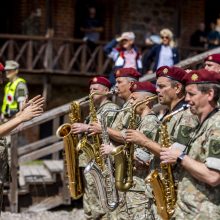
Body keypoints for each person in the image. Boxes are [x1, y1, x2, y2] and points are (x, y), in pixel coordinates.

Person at [124, 66, 199, 219]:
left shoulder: (186, 116)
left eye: (162, 86)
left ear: (177, 88)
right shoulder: (168, 114)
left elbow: (175, 155)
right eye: (157, 86)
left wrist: (144, 141)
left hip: (173, 192)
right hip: (159, 189)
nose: (157, 90)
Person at [160, 69, 220, 219]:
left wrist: (180, 157)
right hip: (186, 210)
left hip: (204, 213)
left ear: (210, 94)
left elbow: (213, 176)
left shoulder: (217, 125)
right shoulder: (199, 123)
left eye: (192, 94)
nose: (186, 99)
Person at [101, 81, 159, 220]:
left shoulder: (150, 122)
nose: (130, 102)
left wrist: (114, 151)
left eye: (134, 98)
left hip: (140, 188)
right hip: (133, 185)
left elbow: (143, 158)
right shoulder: (140, 121)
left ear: (145, 100)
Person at [71, 76, 119, 220]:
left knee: (100, 201)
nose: (91, 92)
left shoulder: (111, 109)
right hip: (91, 161)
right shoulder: (96, 110)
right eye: (90, 89)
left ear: (106, 91)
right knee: (91, 199)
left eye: (95, 89)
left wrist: (85, 127)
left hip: (101, 163)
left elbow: (112, 132)